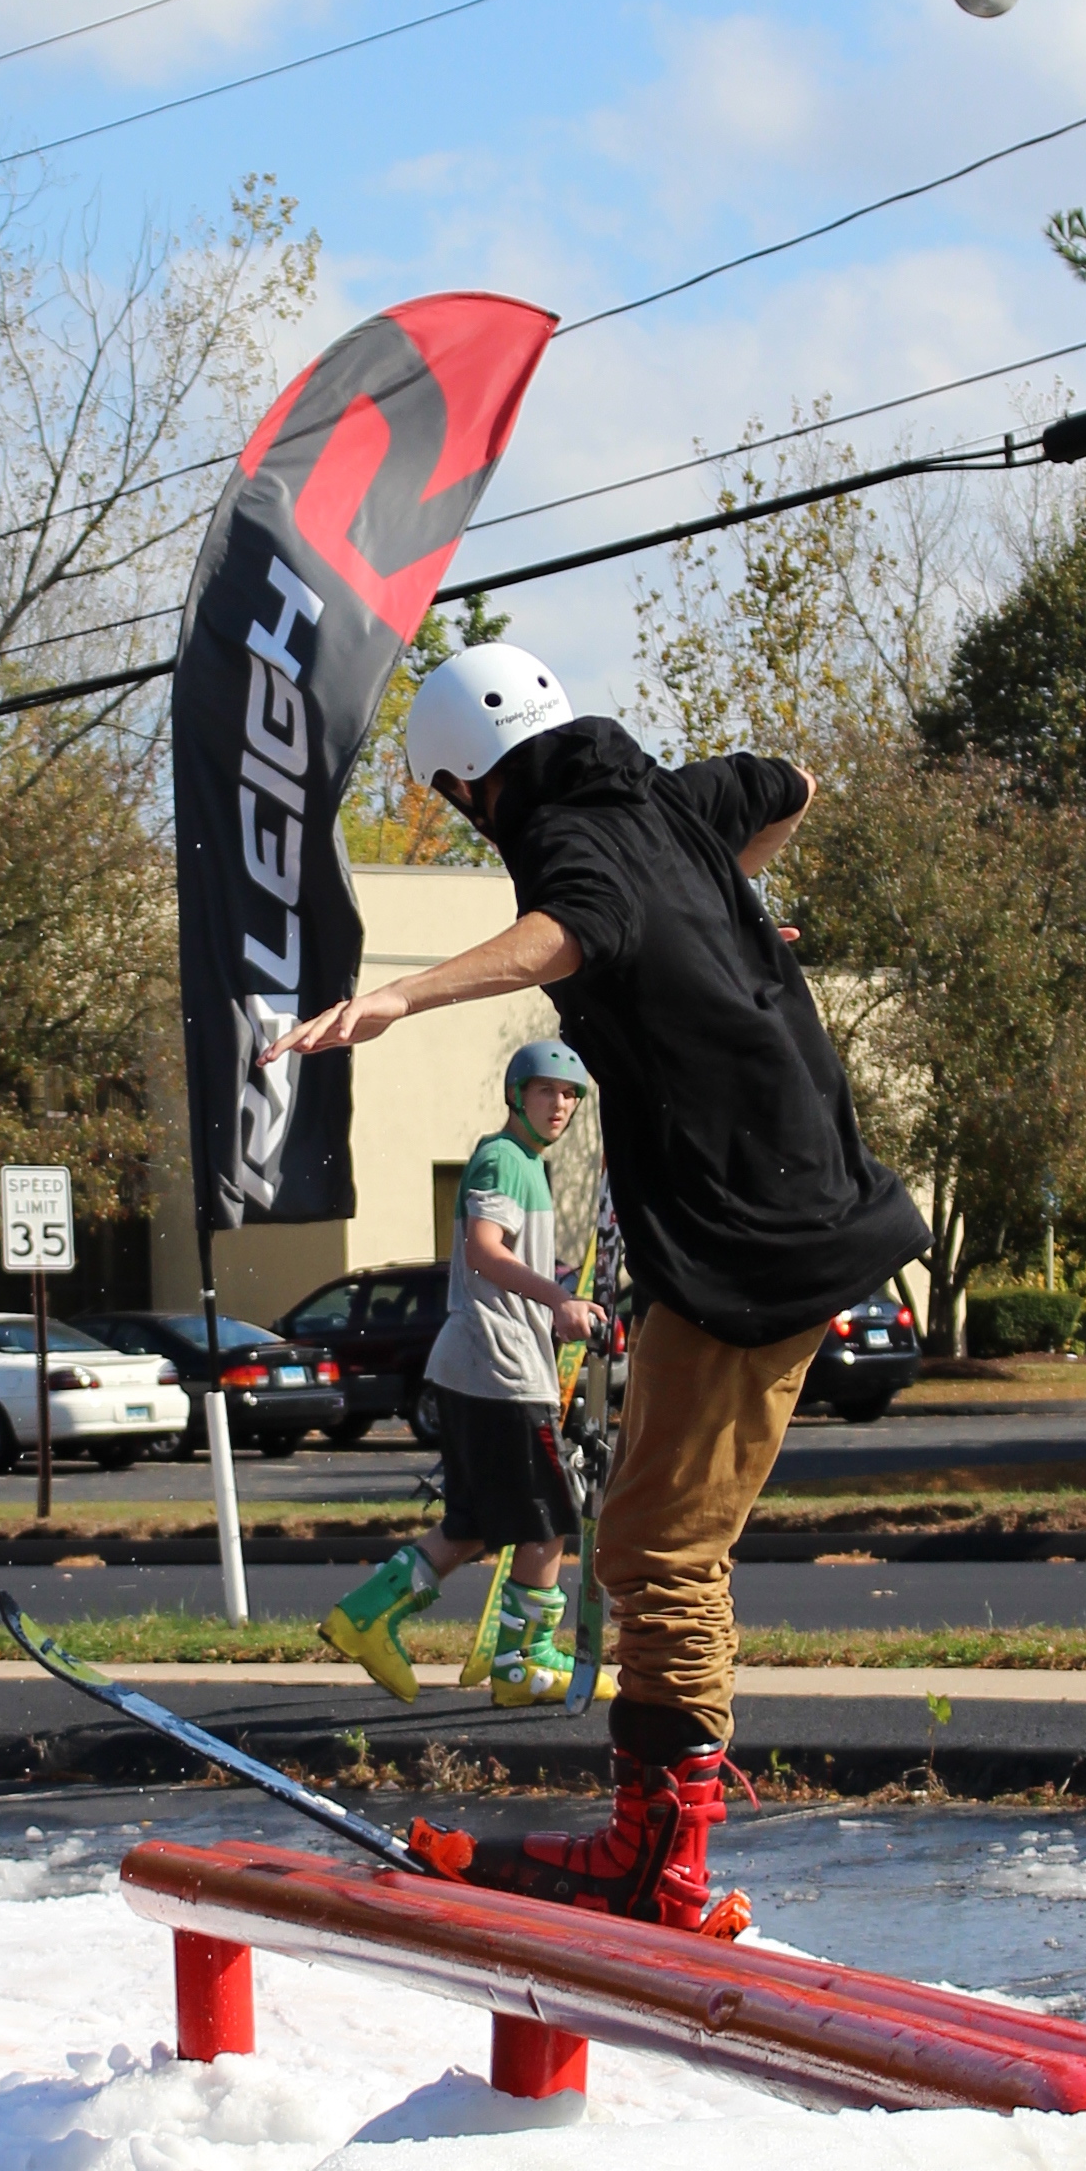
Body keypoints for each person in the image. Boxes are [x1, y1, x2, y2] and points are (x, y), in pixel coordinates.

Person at [270, 645, 925, 1931]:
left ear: (469, 784)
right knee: (646, 1539)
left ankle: (658, 1864)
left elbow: (561, 931)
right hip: (788, 1205)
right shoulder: (666, 799)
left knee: (660, 1552)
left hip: (750, 1236)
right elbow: (791, 784)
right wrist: (725, 915)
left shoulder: (569, 837)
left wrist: (398, 999)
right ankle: (659, 1843)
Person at [315, 1039, 601, 1708]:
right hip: (498, 1366)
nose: (559, 1105)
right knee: (547, 1517)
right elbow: (484, 1251)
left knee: (475, 1521)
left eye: (570, 1095)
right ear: (516, 1095)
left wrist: (556, 1306)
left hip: (479, 1364)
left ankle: (364, 1617)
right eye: (546, 1091)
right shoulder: (502, 1158)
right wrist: (557, 1298)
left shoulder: (526, 1164)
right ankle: (524, 1665)